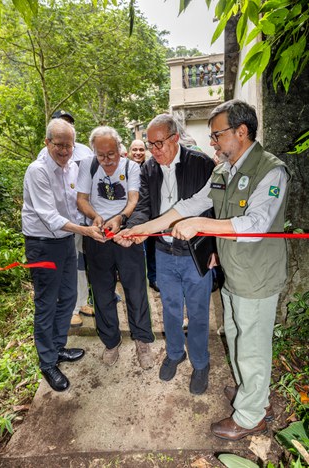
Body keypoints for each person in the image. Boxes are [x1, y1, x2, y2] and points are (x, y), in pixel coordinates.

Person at [121, 100, 291, 440]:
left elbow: (256, 224)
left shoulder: (271, 170)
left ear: (241, 132)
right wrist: (143, 228)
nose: (212, 142)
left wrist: (199, 226)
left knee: (253, 346)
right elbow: (191, 205)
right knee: (238, 337)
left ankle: (250, 416)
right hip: (233, 273)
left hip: (257, 277)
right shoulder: (225, 169)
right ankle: (250, 394)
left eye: (217, 135)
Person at [116, 114, 215, 395]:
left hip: (195, 253)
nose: (154, 150)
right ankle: (174, 353)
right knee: (169, 309)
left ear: (175, 138)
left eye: (159, 144)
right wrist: (134, 231)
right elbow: (144, 206)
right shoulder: (148, 168)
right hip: (164, 251)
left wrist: (215, 250)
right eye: (150, 145)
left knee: (197, 312)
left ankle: (200, 361)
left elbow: (214, 209)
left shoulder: (202, 163)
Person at [22, 118, 104, 392]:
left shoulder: (70, 167)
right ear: (47, 143)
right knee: (46, 303)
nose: (65, 151)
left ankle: (57, 348)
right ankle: (47, 363)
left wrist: (94, 219)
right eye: (59, 145)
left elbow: (75, 205)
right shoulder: (38, 170)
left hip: (66, 240)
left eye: (69, 145)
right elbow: (49, 215)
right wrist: (84, 229)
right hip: (42, 244)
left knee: (68, 297)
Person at [76, 126, 155, 370]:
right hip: (97, 237)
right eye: (102, 155)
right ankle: (111, 341)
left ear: (120, 149)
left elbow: (133, 199)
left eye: (112, 154)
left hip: (125, 234)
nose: (107, 160)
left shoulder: (131, 166)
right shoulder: (88, 166)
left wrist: (120, 218)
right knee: (101, 291)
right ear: (94, 152)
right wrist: (96, 217)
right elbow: (82, 199)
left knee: (136, 289)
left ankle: (142, 340)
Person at [37, 109, 94, 328]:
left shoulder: (83, 151)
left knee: (79, 264)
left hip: (78, 220)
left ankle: (82, 302)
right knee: (61, 269)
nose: (64, 149)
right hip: (55, 227)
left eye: (68, 123)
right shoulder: (43, 158)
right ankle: (69, 310)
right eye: (59, 122)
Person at [129, 139, 159, 293]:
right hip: (133, 216)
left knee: (152, 249)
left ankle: (153, 278)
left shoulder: (152, 167)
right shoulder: (125, 168)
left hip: (151, 215)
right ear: (129, 151)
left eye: (141, 149)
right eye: (135, 149)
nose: (138, 153)